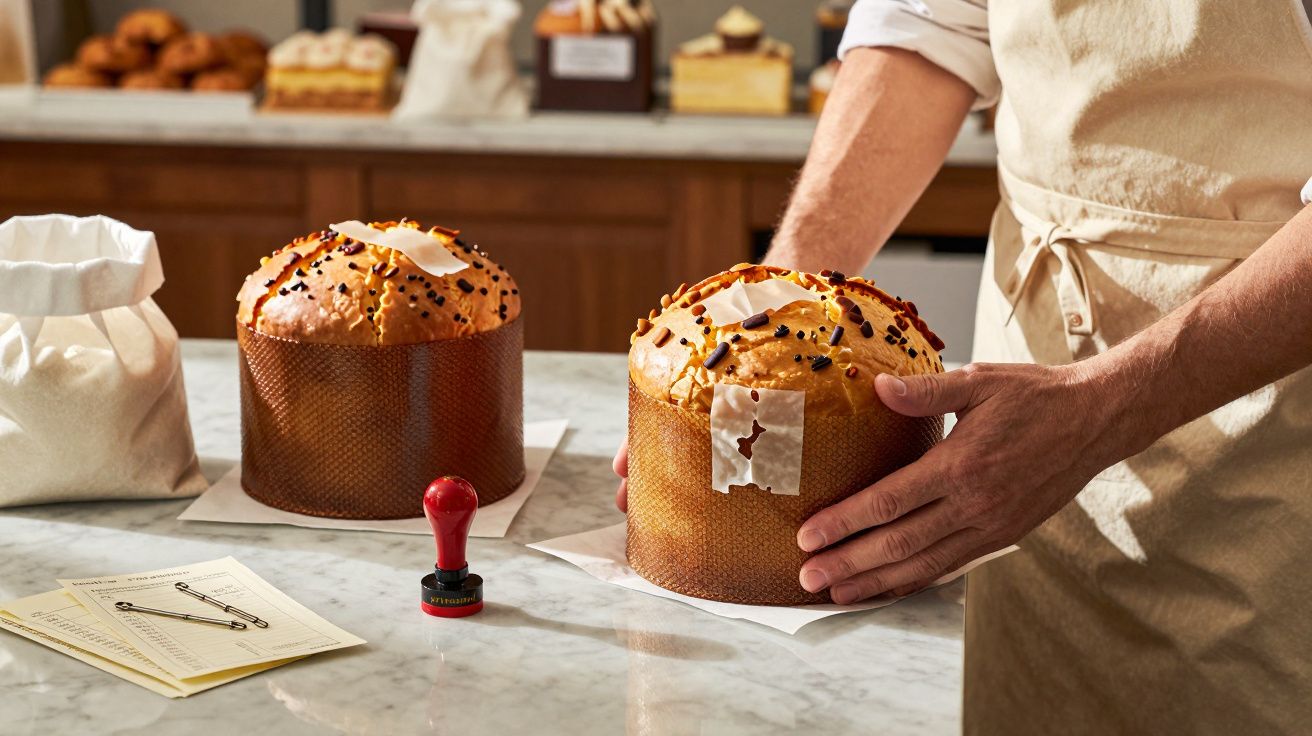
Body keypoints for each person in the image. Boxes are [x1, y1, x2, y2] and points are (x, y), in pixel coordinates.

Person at [614, 1, 1312, 732]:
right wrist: (767, 317)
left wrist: (1101, 406)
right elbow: (931, 24)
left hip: (1262, 389)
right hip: (1019, 378)